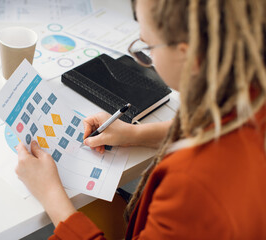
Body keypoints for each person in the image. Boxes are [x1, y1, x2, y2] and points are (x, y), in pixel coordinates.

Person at [15, 0, 266, 239]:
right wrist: (136, 134)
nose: (146, 59)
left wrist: (50, 194)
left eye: (147, 46)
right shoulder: (251, 92)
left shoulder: (192, 186)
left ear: (188, 57)